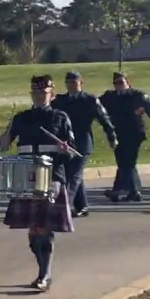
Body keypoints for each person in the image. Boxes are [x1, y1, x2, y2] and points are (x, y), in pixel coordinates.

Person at [0, 75, 76, 292]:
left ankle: (44, 274)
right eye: (36, 93)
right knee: (33, 229)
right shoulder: (21, 118)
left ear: (52, 93)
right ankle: (42, 270)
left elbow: (71, 153)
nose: (40, 97)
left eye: (44, 93)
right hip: (25, 177)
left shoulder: (60, 117)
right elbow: (3, 146)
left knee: (43, 227)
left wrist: (64, 151)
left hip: (52, 176)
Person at [50, 71, 117, 216]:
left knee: (74, 175)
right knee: (72, 175)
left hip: (83, 144)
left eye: (74, 83)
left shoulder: (90, 100)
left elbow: (104, 119)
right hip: (66, 145)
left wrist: (111, 136)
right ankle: (82, 206)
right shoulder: (61, 100)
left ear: (81, 83)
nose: (71, 86)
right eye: (68, 83)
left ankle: (65, 205)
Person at [100, 71, 150, 202]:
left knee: (129, 161)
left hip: (134, 134)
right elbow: (94, 105)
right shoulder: (109, 97)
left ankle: (133, 191)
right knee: (123, 162)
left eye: (121, 82)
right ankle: (120, 190)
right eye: (116, 83)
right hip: (118, 134)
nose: (119, 85)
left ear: (128, 82)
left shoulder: (138, 96)